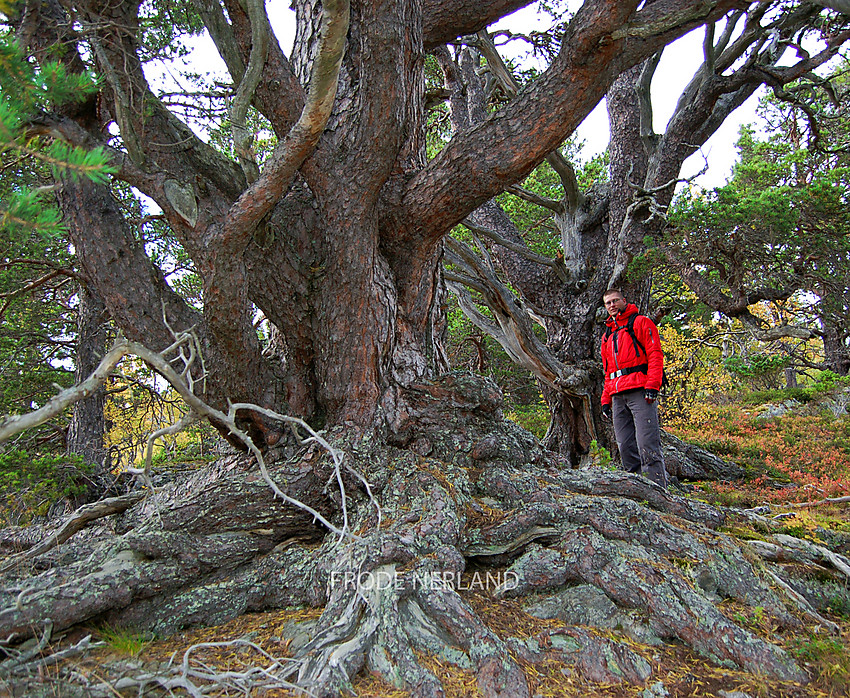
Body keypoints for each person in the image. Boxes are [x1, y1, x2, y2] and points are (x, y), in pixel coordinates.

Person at [600, 289, 667, 488]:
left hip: (640, 391)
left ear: (624, 301)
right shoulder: (607, 334)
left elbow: (655, 354)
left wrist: (653, 385)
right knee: (625, 445)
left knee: (647, 443)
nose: (612, 305)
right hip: (617, 395)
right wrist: (605, 400)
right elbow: (608, 370)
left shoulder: (640, 322)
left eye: (615, 301)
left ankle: (657, 489)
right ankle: (638, 488)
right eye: (608, 303)